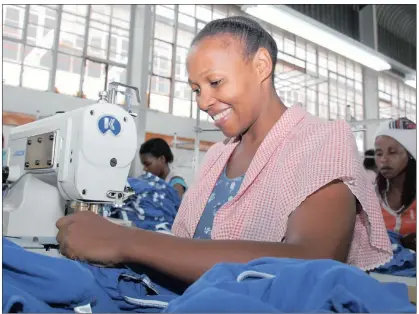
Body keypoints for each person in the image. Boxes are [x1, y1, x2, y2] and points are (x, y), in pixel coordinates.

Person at [56, 16, 392, 285]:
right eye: (196, 90)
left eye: (215, 82)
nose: (203, 101)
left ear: (261, 66)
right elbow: (183, 248)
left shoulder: (323, 140)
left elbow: (313, 261)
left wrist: (126, 242)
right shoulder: (218, 157)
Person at [374, 118, 416, 250]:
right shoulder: (370, 199)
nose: (383, 160)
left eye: (392, 152)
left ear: (411, 154)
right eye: (379, 153)